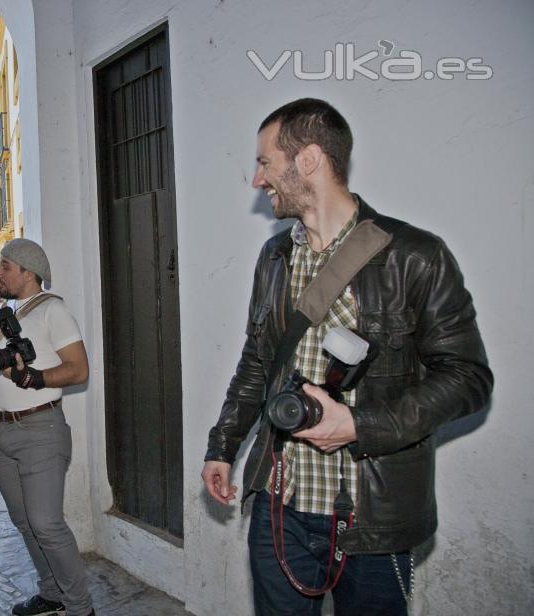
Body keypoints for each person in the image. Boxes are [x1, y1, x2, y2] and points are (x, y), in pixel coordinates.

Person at [201, 98, 493, 615]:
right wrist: (222, 446)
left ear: (308, 160)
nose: (256, 180)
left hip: (372, 516)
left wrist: (360, 424)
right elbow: (256, 362)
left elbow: (469, 378)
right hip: (279, 505)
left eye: (266, 162)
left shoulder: (414, 256)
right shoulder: (275, 258)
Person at [0, 238, 95, 616]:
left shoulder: (52, 311)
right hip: (0, 433)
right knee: (24, 521)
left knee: (46, 524)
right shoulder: (10, 311)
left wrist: (33, 378)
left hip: (39, 431)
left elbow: (79, 370)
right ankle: (52, 594)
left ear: (28, 272)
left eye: (5, 266)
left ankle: (81, 608)